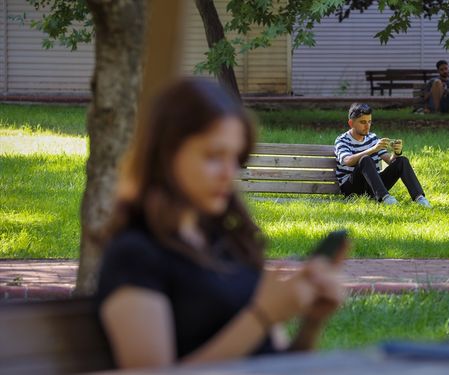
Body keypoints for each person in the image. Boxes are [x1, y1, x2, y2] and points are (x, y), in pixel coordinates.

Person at [96, 78, 346, 369]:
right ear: (166, 153)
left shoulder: (228, 241)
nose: (229, 173)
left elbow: (273, 359)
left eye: (235, 158)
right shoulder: (135, 255)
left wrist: (311, 322)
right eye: (214, 156)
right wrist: (262, 315)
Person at [334, 103, 432, 208]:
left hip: (373, 186)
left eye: (369, 122)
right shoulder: (342, 140)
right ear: (351, 123)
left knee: (402, 160)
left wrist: (396, 152)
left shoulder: (372, 138)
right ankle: (385, 198)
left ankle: (420, 198)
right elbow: (348, 160)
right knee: (365, 159)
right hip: (352, 188)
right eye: (363, 122)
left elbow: (390, 161)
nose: (367, 126)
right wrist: (372, 149)